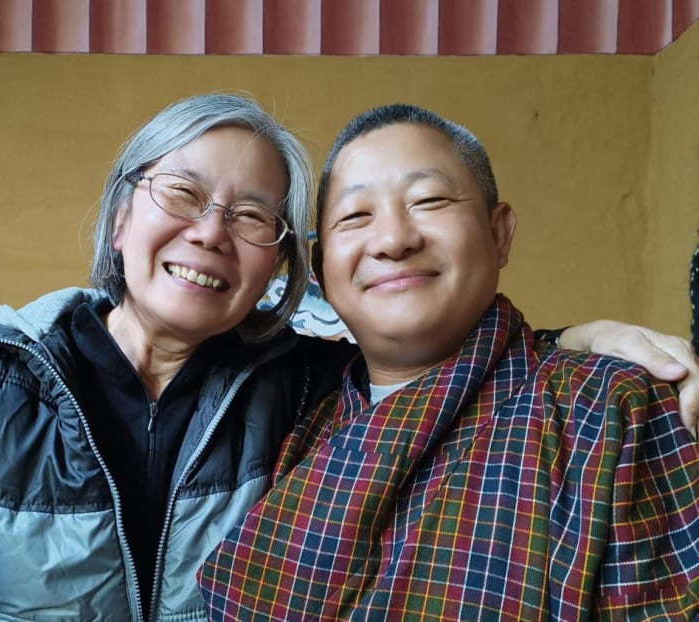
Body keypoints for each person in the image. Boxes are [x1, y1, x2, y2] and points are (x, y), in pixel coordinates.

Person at [0, 93, 699, 622]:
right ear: (122, 217)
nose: (210, 232)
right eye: (183, 193)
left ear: (279, 263)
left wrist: (579, 341)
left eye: (251, 216)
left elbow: (444, 353)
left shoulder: (291, 385)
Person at [199, 104, 699, 620]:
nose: (393, 240)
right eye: (355, 216)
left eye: (429, 201)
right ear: (322, 268)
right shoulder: (301, 420)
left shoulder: (610, 409)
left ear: (499, 234)